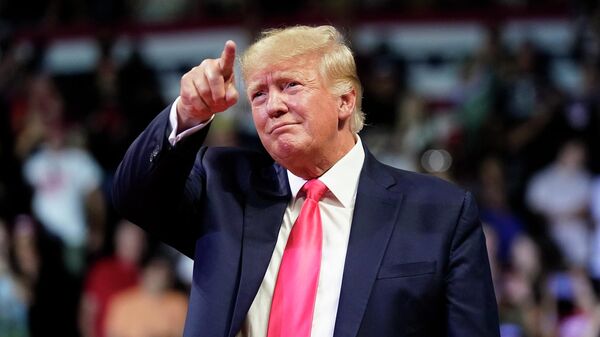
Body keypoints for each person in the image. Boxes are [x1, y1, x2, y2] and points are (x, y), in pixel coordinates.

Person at [113, 25, 499, 337]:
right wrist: (186, 113)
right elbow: (133, 196)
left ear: (345, 101)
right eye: (259, 94)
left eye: (291, 85)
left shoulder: (439, 212)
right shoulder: (225, 188)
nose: (273, 105)